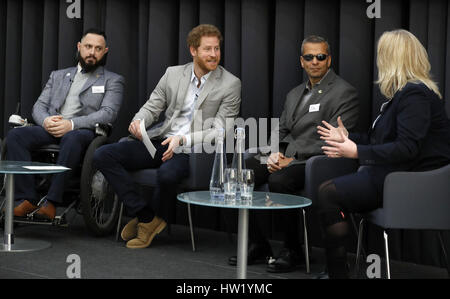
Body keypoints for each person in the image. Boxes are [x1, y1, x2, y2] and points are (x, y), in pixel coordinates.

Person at [316, 29, 450, 279]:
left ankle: (337, 274)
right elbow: (380, 140)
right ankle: (337, 270)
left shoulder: (415, 95)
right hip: (396, 176)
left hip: (409, 182)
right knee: (327, 190)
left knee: (328, 194)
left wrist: (356, 152)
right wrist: (348, 138)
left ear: (391, 58)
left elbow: (407, 148)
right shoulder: (405, 95)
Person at [93, 24, 241, 249]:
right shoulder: (173, 73)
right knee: (103, 154)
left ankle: (147, 221)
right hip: (161, 140)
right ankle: (146, 217)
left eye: (217, 49)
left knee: (167, 175)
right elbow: (152, 106)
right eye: (207, 49)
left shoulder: (230, 83)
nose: (214, 55)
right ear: (193, 50)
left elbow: (220, 129)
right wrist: (138, 121)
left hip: (192, 150)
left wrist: (182, 140)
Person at [227, 35, 359, 273]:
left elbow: (338, 141)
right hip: (287, 157)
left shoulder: (344, 92)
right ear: (302, 61)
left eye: (320, 57)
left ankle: (293, 249)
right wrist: (274, 154)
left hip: (318, 161)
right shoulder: (294, 93)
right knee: (239, 172)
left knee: (280, 180)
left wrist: (292, 160)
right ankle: (258, 244)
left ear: (329, 60)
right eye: (309, 57)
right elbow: (281, 129)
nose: (315, 62)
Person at [8, 28, 124, 220]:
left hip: (84, 132)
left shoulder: (113, 80)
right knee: (15, 136)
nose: (92, 52)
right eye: (88, 47)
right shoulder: (58, 75)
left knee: (72, 138)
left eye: (98, 48)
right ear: (79, 47)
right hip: (51, 127)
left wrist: (71, 124)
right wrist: (45, 120)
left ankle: (51, 202)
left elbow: (108, 114)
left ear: (105, 52)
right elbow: (39, 105)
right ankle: (26, 199)